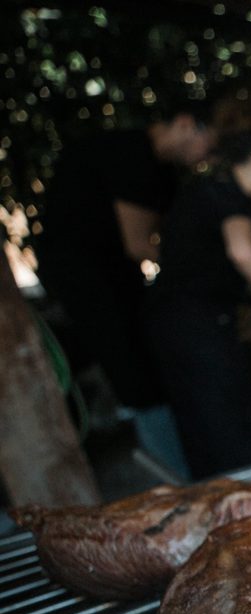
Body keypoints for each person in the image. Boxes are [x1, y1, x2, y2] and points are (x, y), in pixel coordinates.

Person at [32, 99, 218, 477]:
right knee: (139, 381)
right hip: (87, 281)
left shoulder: (163, 173)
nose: (206, 158)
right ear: (185, 123)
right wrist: (205, 278)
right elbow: (140, 244)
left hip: (120, 279)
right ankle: (182, 483)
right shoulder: (128, 155)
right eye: (209, 146)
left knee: (155, 368)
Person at [142, 126, 251, 478]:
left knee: (203, 429)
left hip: (173, 325)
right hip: (195, 327)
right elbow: (241, 255)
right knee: (226, 430)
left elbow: (217, 267)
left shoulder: (206, 190)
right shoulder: (229, 196)